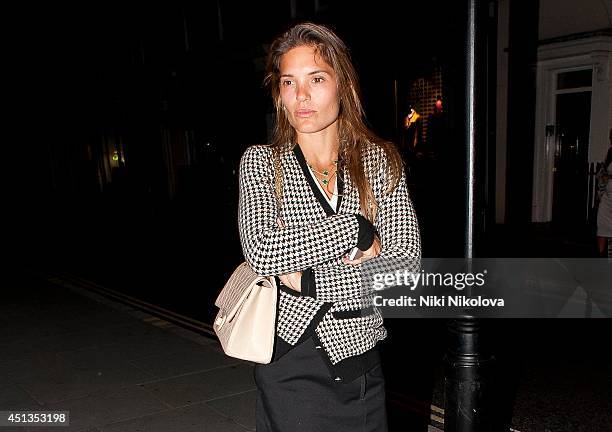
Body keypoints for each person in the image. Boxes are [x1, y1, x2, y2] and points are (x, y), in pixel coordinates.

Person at [237, 22, 421, 432]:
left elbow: (403, 274)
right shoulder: (262, 164)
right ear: (279, 93)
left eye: (316, 79)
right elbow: (264, 252)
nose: (301, 95)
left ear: (343, 85)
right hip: (292, 361)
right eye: (289, 82)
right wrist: (355, 229)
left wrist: (306, 281)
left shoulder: (381, 163)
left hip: (362, 363)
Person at [596, 129, 612, 257]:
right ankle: (600, 256)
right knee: (602, 226)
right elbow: (603, 173)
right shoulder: (610, 152)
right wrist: (601, 193)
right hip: (607, 195)